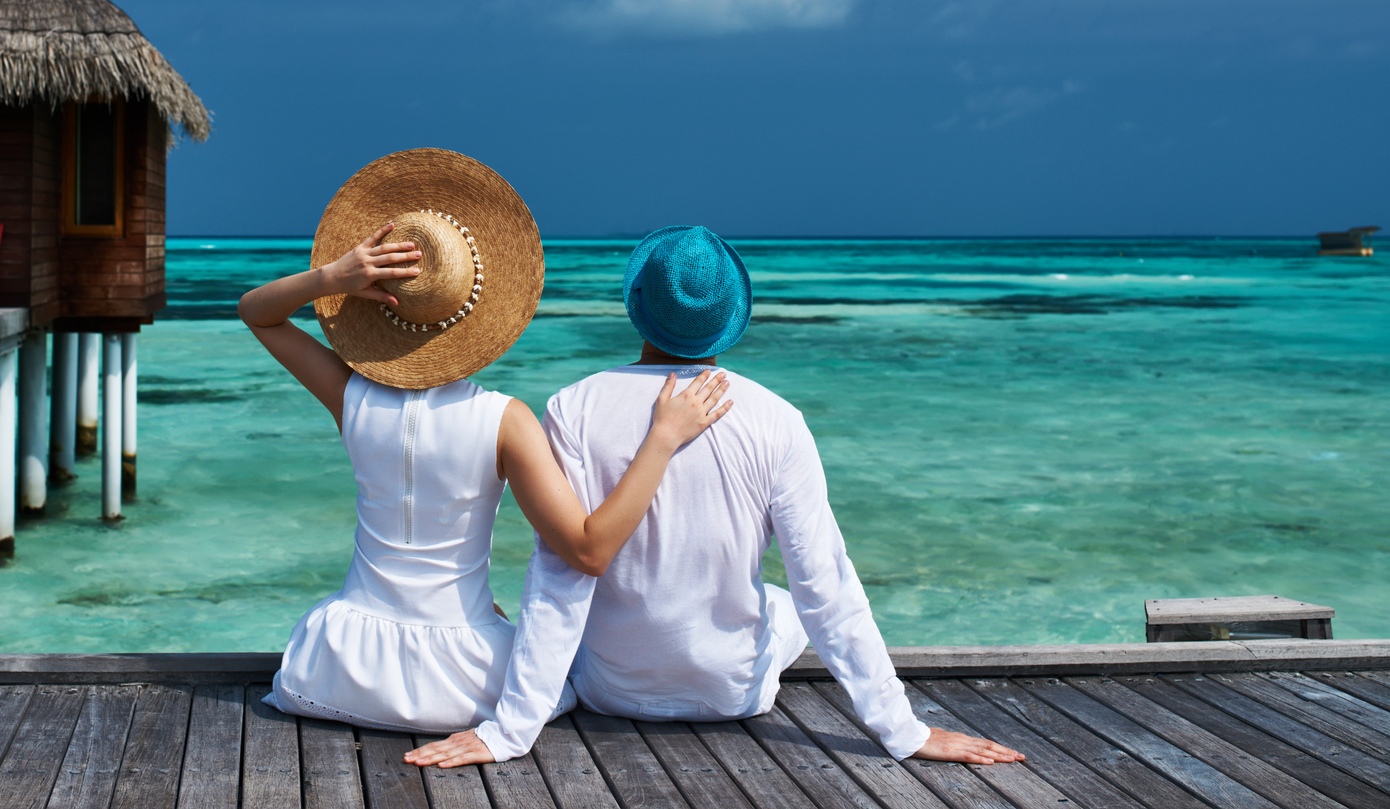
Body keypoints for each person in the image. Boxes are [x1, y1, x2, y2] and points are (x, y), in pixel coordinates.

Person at [405, 225, 1026, 768]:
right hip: (734, 696)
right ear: (730, 315)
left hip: (611, 687)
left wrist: (511, 729)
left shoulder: (574, 406)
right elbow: (827, 586)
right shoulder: (775, 418)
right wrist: (903, 729)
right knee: (787, 599)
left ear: (638, 306)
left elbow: (560, 575)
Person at [239, 149, 732, 734]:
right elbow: (588, 550)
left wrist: (331, 279)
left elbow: (257, 313)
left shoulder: (352, 399)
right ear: (481, 309)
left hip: (334, 670)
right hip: (461, 683)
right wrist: (663, 438)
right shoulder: (505, 420)